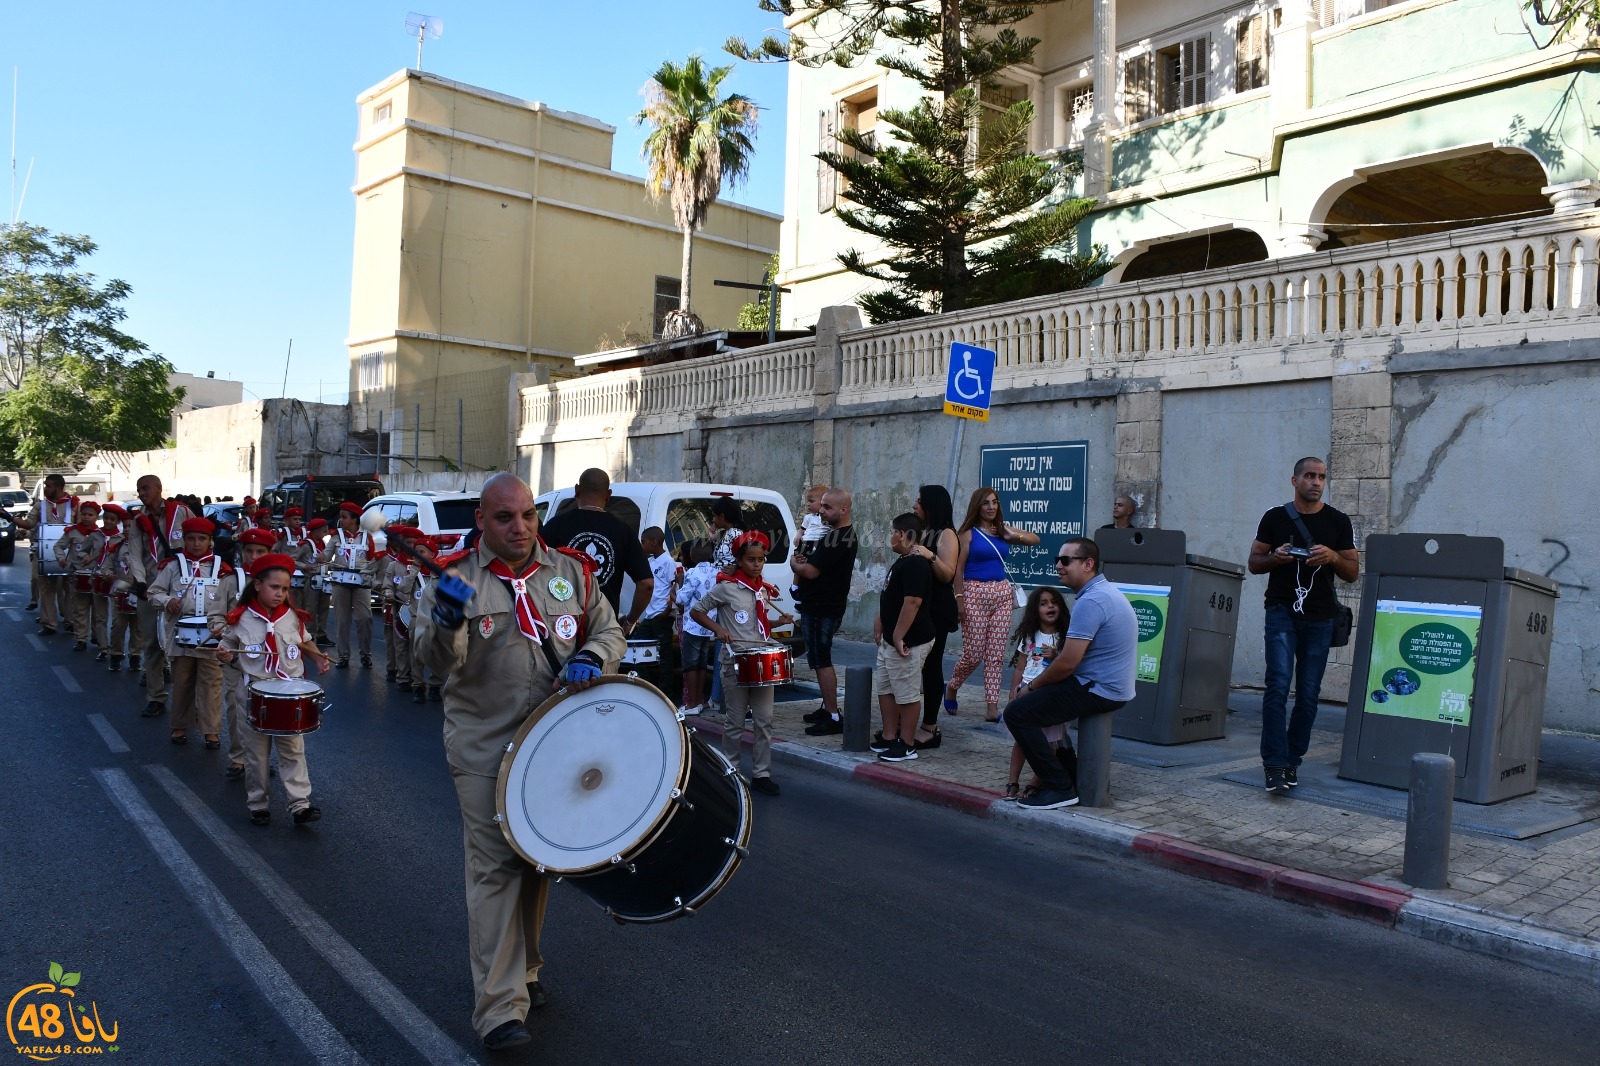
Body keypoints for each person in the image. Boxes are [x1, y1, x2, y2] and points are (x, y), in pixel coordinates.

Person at [413, 472, 625, 1053]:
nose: (520, 527)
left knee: (536, 861)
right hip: (484, 746)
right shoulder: (454, 579)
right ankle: (499, 1009)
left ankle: (525, 971)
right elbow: (433, 664)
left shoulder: (572, 572)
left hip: (554, 742)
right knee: (496, 868)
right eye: (505, 517)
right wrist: (447, 621)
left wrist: (590, 654)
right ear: (482, 520)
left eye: (528, 515)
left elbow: (610, 631)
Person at [1247, 456, 1359, 795]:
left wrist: (1333, 557)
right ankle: (1273, 763)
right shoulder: (1275, 517)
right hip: (1282, 610)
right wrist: (1275, 558)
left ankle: (1292, 759)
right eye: (1309, 476)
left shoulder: (1338, 521)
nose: (1316, 482)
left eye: (1322, 477)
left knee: (1309, 695)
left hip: (1321, 616)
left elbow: (1352, 572)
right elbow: (1254, 563)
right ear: (1294, 480)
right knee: (1278, 687)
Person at [1004, 537, 1138, 810]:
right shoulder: (1102, 593)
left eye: (1066, 560)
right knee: (1041, 711)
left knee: (1017, 713)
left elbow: (1067, 663)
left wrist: (1031, 687)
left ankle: (1059, 787)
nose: (1058, 565)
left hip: (1100, 688)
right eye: (1057, 560)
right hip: (1103, 684)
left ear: (1088, 564)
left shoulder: (1093, 601)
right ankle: (1071, 777)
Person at [217, 551, 333, 824]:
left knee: (293, 750)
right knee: (256, 754)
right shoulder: (240, 618)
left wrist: (317, 657)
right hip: (255, 694)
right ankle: (258, 804)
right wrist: (224, 654)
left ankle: (300, 804)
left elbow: (304, 641)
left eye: (285, 588)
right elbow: (227, 647)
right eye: (274, 587)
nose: (280, 593)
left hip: (289, 693)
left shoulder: (293, 617)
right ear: (257, 585)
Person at [690, 531, 794, 797]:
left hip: (761, 657)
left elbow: (756, 626)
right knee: (735, 721)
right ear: (739, 560)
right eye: (751, 560)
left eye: (761, 560)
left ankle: (761, 773)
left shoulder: (762, 589)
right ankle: (731, 770)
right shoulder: (725, 587)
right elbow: (696, 610)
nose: (757, 565)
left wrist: (776, 624)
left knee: (765, 720)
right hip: (734, 658)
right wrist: (717, 629)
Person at [946, 486, 1040, 722]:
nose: (991, 507)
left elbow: (1034, 539)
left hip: (1001, 593)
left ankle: (991, 706)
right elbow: (958, 570)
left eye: (995, 502)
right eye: (986, 503)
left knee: (996, 654)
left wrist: (1011, 535)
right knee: (974, 653)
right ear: (977, 506)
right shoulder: (967, 533)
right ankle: (952, 686)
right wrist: (959, 600)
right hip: (973, 592)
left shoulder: (1001, 531)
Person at [147, 517, 232, 748]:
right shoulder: (173, 566)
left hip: (211, 637)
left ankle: (211, 730)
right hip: (180, 635)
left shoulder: (222, 569)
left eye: (202, 539)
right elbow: (153, 592)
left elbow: (231, 600)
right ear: (184, 540)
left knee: (211, 684)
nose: (196, 543)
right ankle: (179, 725)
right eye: (191, 539)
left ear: (210, 541)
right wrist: (167, 601)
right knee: (182, 682)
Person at [116, 475, 194, 717]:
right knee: (151, 643)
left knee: (187, 645)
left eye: (145, 488)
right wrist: (139, 582)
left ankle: (190, 703)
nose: (141, 493)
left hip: (183, 588)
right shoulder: (139, 521)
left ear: (159, 489)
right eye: (138, 489)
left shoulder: (181, 512)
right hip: (151, 588)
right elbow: (135, 554)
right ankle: (156, 697)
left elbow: (199, 540)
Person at [538, 468, 654, 628]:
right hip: (604, 627)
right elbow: (646, 584)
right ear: (608, 495)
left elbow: (532, 571)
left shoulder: (555, 526)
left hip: (562, 625)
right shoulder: (623, 531)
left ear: (577, 490)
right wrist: (629, 621)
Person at [868, 513, 936, 763]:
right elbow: (892, 596)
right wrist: (881, 620)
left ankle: (907, 744)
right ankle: (889, 736)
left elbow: (913, 602)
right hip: (890, 640)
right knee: (886, 688)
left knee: (906, 693)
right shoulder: (902, 561)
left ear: (904, 535)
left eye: (892, 531)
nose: (890, 536)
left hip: (909, 641)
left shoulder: (916, 564)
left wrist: (898, 635)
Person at [793, 488, 859, 736]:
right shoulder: (832, 534)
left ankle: (832, 715)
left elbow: (810, 571)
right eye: (821, 505)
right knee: (817, 658)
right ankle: (825, 706)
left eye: (827, 507)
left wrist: (794, 563)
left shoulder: (841, 537)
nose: (821, 510)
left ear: (843, 510)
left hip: (824, 606)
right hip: (816, 604)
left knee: (822, 659)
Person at [221, 528, 279, 779]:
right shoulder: (230, 580)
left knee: (267, 711)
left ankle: (262, 760)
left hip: (269, 660)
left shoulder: (278, 582)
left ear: (270, 553)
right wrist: (220, 628)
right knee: (237, 708)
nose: (254, 556)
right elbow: (216, 612)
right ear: (241, 552)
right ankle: (239, 758)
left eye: (261, 552)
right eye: (249, 551)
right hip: (238, 657)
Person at [1003, 587, 1070, 800]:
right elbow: (1021, 667)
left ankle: (1036, 781)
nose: (1050, 606)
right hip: (1026, 691)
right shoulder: (1031, 637)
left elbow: (1069, 665)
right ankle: (1012, 780)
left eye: (1054, 602)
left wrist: (1057, 654)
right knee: (1022, 740)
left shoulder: (1065, 638)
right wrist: (1013, 693)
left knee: (1048, 742)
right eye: (1043, 603)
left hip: (1050, 694)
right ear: (1035, 610)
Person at [906, 485, 959, 748]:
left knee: (932, 665)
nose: (914, 505)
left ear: (932, 505)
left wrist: (928, 554)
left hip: (937, 609)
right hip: (919, 607)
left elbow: (947, 574)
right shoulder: (921, 531)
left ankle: (930, 727)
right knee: (917, 665)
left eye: (919, 501)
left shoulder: (946, 534)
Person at [318, 502, 379, 669]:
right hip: (340, 582)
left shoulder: (367, 537)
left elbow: (373, 560)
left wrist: (372, 574)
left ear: (354, 519)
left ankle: (365, 654)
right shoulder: (336, 536)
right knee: (342, 620)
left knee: (365, 618)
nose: (341, 520)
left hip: (361, 583)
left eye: (344, 517)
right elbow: (328, 554)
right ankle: (343, 656)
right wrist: (321, 556)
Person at [19, 474, 77, 637]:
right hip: (44, 551)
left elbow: (83, 526)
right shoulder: (40, 505)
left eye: (48, 486)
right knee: (46, 588)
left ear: (59, 488)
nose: (45, 488)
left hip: (68, 552)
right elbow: (29, 523)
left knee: (69, 588)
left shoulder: (75, 505)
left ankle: (70, 621)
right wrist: (10, 517)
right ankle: (49, 624)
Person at [633, 525, 681, 698]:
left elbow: (673, 587)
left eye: (644, 542)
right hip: (651, 614)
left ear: (654, 542)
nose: (642, 545)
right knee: (637, 647)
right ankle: (646, 686)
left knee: (664, 655)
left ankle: (664, 692)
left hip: (662, 615)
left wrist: (668, 610)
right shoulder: (652, 561)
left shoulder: (668, 562)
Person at [395, 532, 443, 703]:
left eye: (422, 552)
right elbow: (402, 589)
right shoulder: (414, 573)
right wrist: (414, 570)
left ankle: (435, 685)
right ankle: (418, 685)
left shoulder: (440, 573)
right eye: (416, 551)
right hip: (417, 617)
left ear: (432, 554)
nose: (418, 555)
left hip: (437, 618)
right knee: (416, 654)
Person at [54, 499, 104, 652]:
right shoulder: (72, 532)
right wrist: (61, 558)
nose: (86, 517)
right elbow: (58, 546)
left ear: (96, 517)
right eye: (84, 514)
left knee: (98, 610)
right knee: (80, 609)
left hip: (95, 576)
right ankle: (80, 638)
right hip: (77, 574)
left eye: (91, 514)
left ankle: (97, 636)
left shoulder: (100, 535)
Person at [676, 539, 718, 716]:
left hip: (692, 626)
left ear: (692, 556)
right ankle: (699, 700)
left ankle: (692, 703)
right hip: (709, 624)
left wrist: (679, 583)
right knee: (701, 664)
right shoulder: (716, 572)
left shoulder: (692, 573)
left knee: (691, 665)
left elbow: (681, 600)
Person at [95, 504, 132, 670]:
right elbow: (106, 564)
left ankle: (136, 656)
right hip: (119, 590)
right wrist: (108, 574)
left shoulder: (146, 548)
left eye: (131, 527)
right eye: (125, 526)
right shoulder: (117, 546)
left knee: (138, 628)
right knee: (118, 625)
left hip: (138, 591)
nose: (127, 530)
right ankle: (116, 655)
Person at [304, 518, 332, 645]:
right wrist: (304, 566)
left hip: (323, 578)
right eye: (323, 531)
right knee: (311, 607)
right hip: (312, 579)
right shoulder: (305, 545)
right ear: (315, 531)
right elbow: (293, 559)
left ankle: (322, 634)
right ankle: (309, 635)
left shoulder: (323, 544)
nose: (326, 534)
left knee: (324, 607)